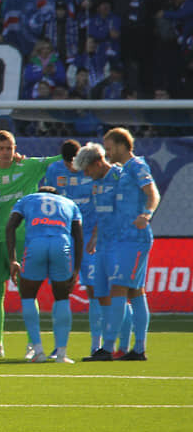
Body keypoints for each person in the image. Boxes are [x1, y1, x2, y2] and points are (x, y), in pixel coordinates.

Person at [0, 131, 61, 358]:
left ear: (15, 147)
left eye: (9, 148)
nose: (6, 153)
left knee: (27, 291)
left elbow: (58, 159)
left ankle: (33, 343)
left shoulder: (28, 166)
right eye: (1, 149)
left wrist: (77, 153)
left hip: (23, 238)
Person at [83, 128, 159, 361]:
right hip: (121, 239)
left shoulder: (137, 166)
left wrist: (147, 213)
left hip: (134, 239)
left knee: (119, 289)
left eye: (108, 148)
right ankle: (138, 349)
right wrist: (97, 235)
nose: (107, 153)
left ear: (121, 146)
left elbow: (152, 192)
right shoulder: (122, 172)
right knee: (135, 292)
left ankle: (107, 347)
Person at [6, 186, 83, 364]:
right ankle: (61, 354)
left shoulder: (27, 199)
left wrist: (12, 259)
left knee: (28, 295)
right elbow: (78, 237)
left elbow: (10, 226)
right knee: (62, 297)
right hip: (60, 245)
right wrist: (76, 268)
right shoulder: (69, 203)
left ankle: (38, 350)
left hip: (36, 244)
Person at [44, 140, 98, 355]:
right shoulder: (53, 170)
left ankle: (97, 345)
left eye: (74, 163)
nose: (71, 168)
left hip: (89, 240)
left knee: (95, 291)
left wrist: (96, 235)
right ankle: (59, 346)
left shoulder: (93, 170)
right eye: (67, 163)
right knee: (61, 290)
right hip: (64, 239)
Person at [73, 142, 123, 361]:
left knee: (122, 294)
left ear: (97, 162)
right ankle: (103, 347)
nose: (86, 174)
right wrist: (94, 237)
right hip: (101, 244)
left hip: (120, 244)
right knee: (102, 294)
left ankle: (126, 346)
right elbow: (102, 215)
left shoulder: (120, 177)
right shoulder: (97, 184)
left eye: (87, 169)